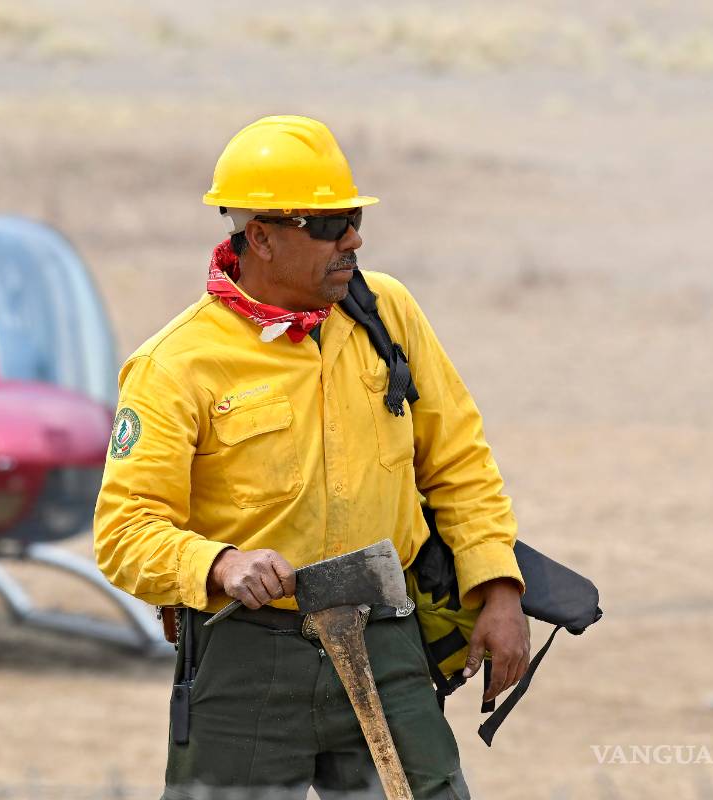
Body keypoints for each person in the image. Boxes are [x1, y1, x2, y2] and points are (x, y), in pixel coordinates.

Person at [94, 115, 530, 799]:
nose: (352, 238)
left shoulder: (389, 314)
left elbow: (459, 464)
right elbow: (124, 531)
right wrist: (221, 564)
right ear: (259, 236)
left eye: (352, 218)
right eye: (327, 225)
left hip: (387, 640)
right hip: (247, 659)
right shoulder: (174, 365)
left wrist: (499, 591)